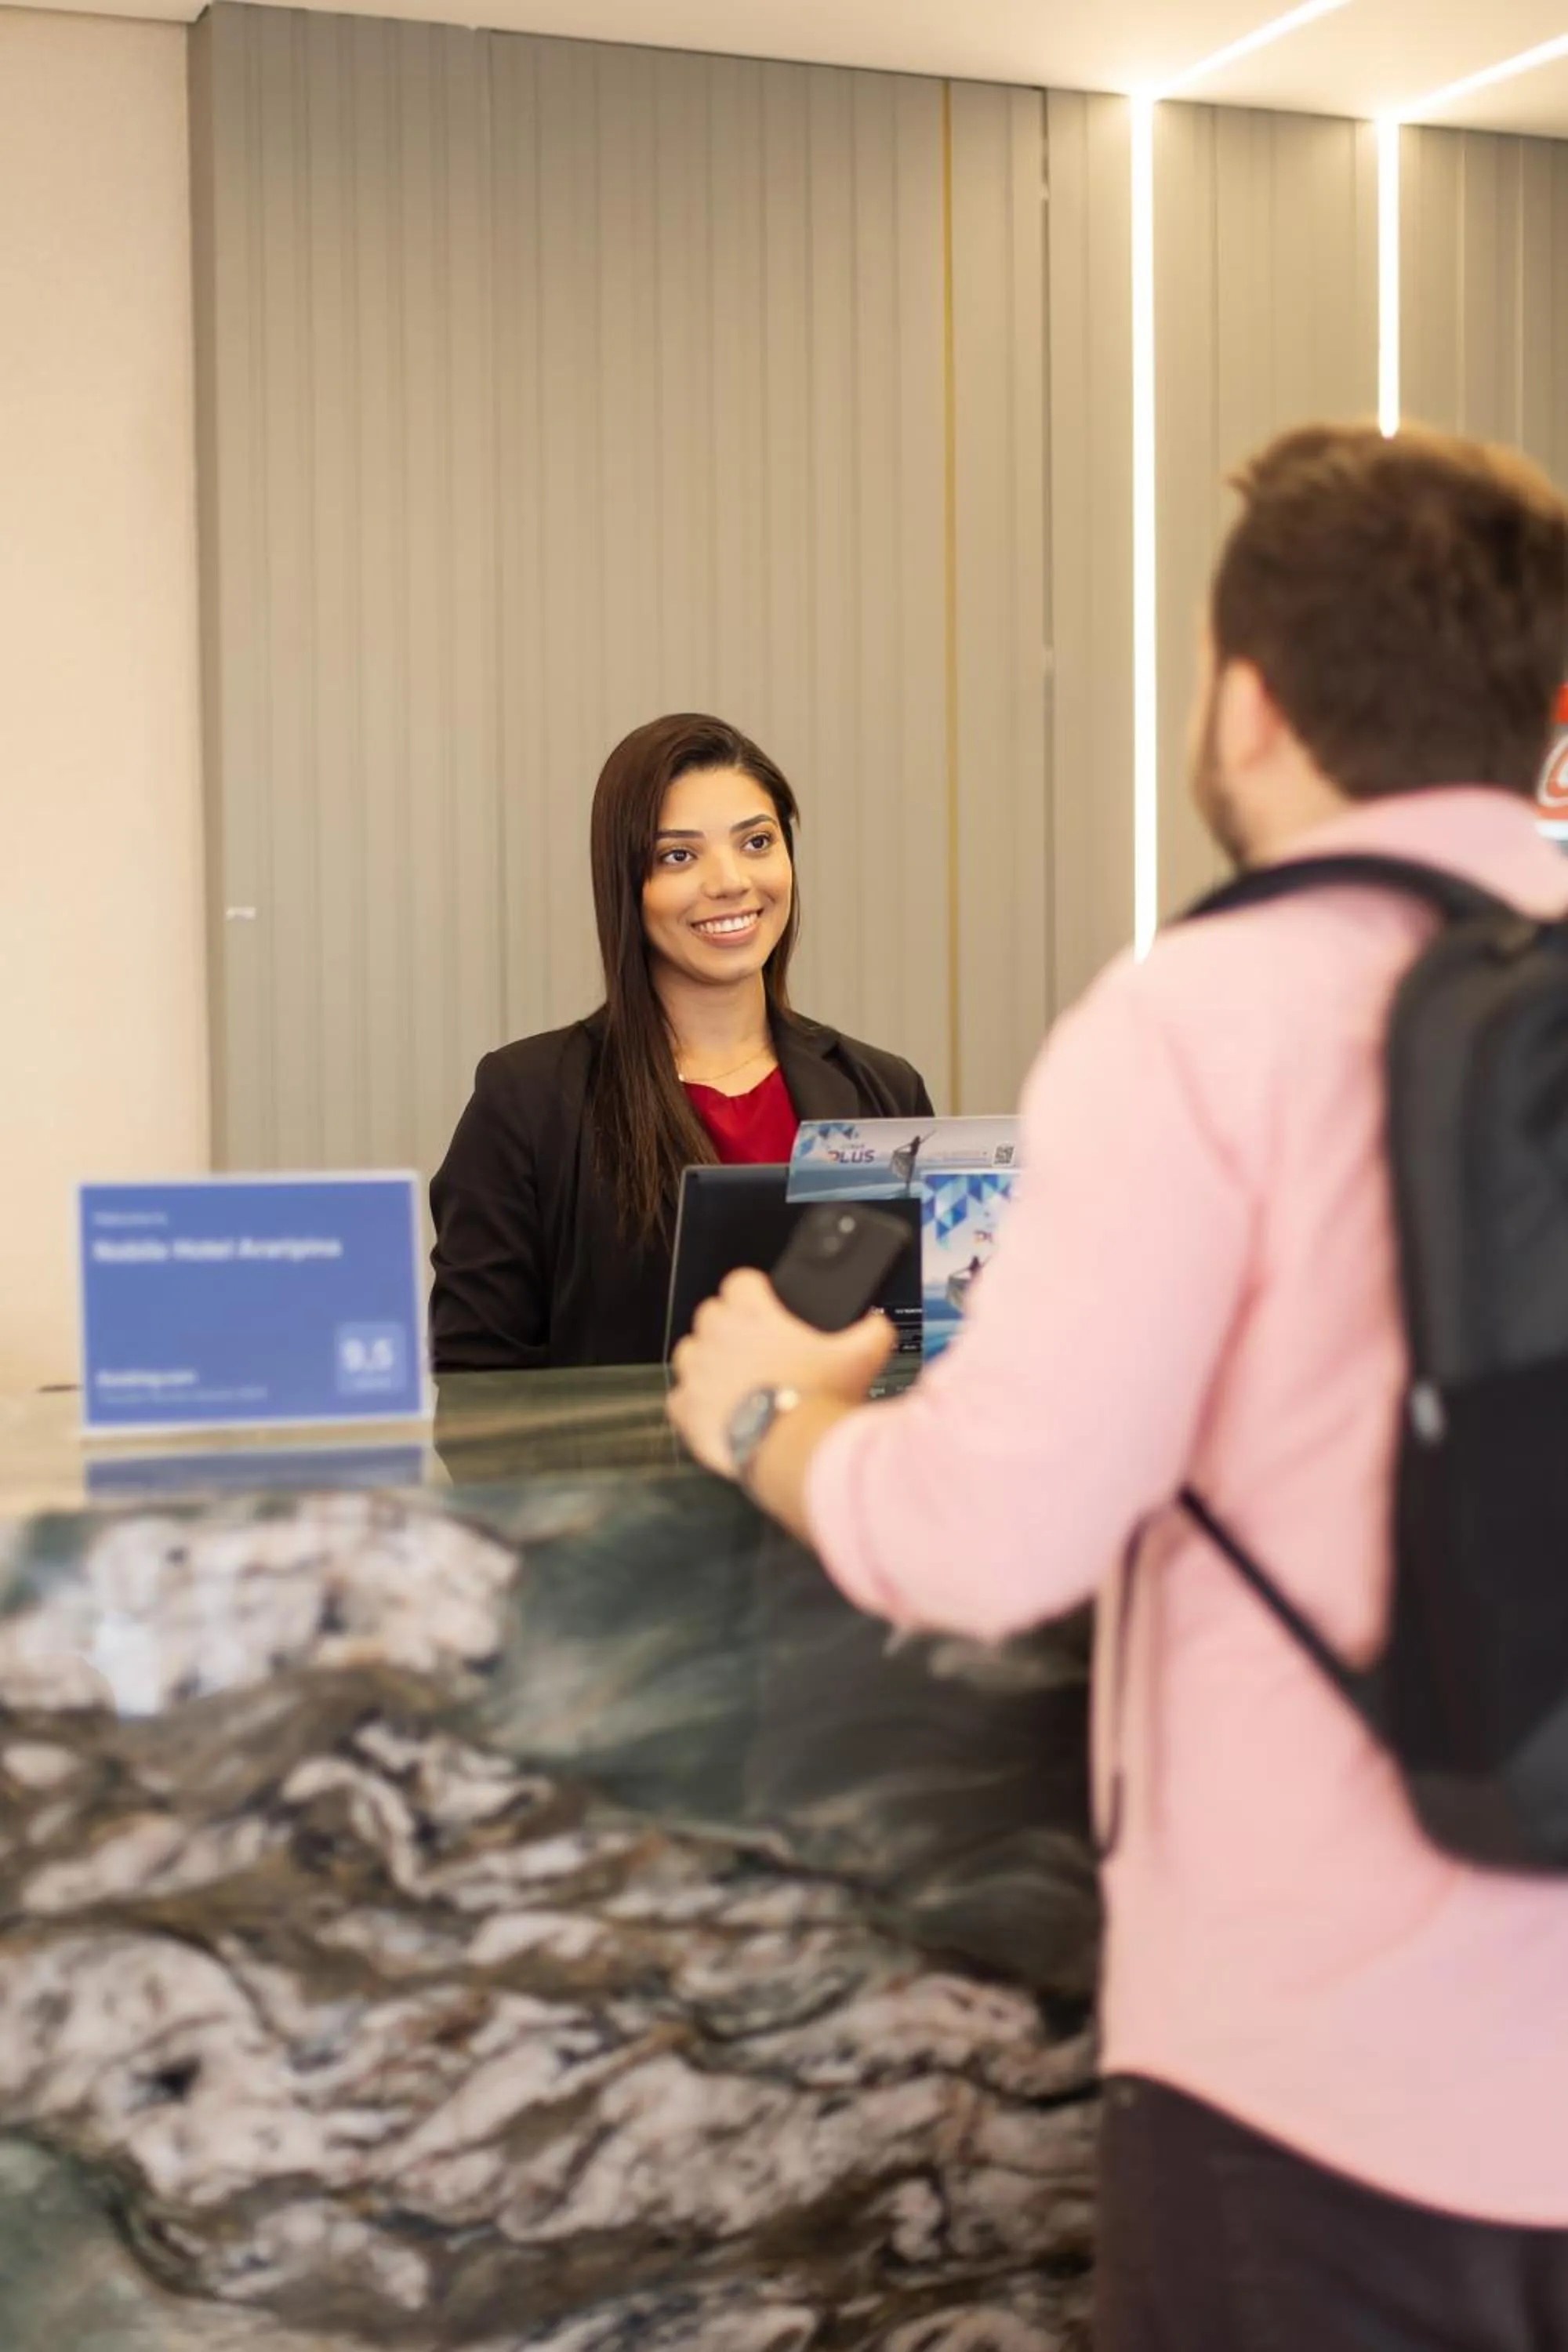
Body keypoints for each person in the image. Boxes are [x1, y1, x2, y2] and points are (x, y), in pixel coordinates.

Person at [668, 425, 1568, 2348]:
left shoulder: (1202, 1017)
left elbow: (986, 1534)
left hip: (1318, 2089)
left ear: (1243, 703)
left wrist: (766, 1411)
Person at [430, 713, 932, 1370]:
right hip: (626, 1474)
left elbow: (931, 1346)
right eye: (678, 855)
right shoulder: (526, 1102)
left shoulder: (884, 1088)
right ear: (626, 886)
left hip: (826, 1469)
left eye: (757, 842)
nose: (729, 881)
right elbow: (478, 1388)